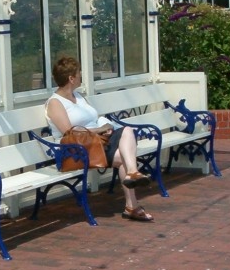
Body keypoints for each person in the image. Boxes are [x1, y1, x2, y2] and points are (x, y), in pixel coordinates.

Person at [45, 56, 154, 222]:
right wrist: (99, 130)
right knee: (126, 155)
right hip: (77, 150)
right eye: (79, 73)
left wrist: (106, 126)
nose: (81, 75)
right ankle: (132, 203)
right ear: (71, 78)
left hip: (97, 142)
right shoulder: (55, 103)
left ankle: (132, 175)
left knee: (127, 131)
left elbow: (94, 118)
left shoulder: (78, 97)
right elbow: (70, 133)